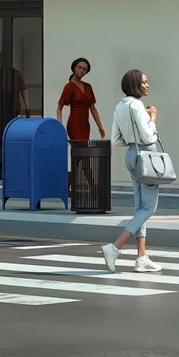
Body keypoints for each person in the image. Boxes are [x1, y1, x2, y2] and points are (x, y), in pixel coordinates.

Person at [104, 68, 164, 274]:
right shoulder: (137, 105)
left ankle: (142, 257)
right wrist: (153, 117)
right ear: (135, 85)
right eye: (144, 82)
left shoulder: (119, 106)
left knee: (140, 207)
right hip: (146, 155)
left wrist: (131, 140)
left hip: (131, 155)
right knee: (149, 209)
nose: (147, 85)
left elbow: (115, 140)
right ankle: (115, 247)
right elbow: (148, 136)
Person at [58, 56, 100, 203]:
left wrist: (100, 126)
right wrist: (60, 126)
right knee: (83, 157)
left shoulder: (88, 86)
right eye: (80, 68)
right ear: (74, 68)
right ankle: (94, 188)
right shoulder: (69, 86)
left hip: (85, 125)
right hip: (74, 124)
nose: (82, 71)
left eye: (85, 69)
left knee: (79, 158)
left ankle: (66, 186)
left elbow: (93, 108)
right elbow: (60, 107)